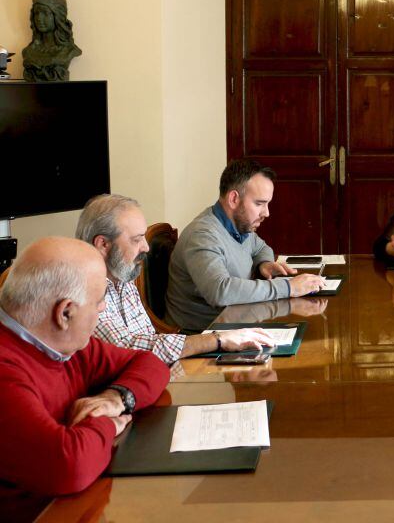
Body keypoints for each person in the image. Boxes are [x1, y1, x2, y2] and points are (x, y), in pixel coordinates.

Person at [0, 238, 169, 507]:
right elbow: (68, 465)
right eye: (99, 301)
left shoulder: (67, 345)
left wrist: (117, 398)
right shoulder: (6, 370)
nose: (102, 309)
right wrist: (106, 421)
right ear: (65, 312)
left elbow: (151, 364)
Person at [75, 194, 276, 364]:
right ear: (103, 244)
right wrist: (217, 340)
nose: (146, 247)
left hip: (152, 373)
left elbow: (148, 339)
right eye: (136, 239)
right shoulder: (82, 290)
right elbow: (128, 351)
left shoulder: (122, 274)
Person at [166, 159, 326, 332]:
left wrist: (263, 263)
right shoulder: (202, 236)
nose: (267, 213)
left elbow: (261, 248)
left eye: (267, 204)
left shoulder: (240, 226)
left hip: (236, 327)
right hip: (199, 339)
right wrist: (289, 287)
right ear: (234, 199)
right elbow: (221, 291)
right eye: (259, 204)